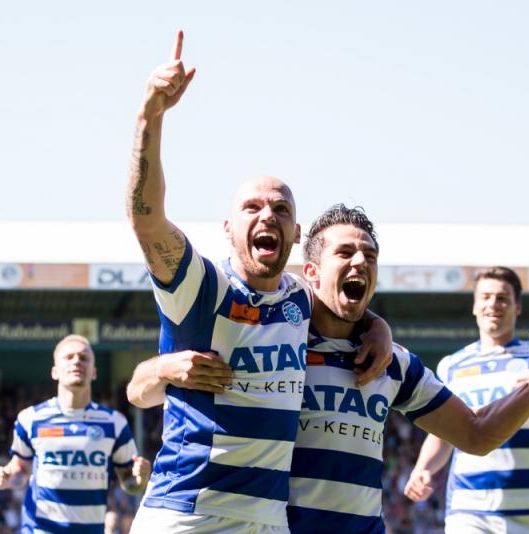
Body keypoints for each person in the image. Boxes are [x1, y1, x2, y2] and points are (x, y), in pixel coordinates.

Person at [145, 205, 529, 534]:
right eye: (345, 252)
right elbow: (139, 391)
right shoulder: (273, 341)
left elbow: (476, 435)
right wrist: (161, 367)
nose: (360, 261)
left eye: (369, 254)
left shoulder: (393, 362)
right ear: (309, 272)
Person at [124, 32, 392, 533]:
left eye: (281, 209)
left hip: (267, 521)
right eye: (251, 207)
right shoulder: (200, 287)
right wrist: (150, 117)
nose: (266, 214)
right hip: (188, 514)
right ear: (228, 230)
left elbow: (342, 303)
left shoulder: (296, 299)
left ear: (294, 234)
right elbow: (147, 218)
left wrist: (379, 326)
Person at [403, 266, 529, 533]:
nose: (493, 304)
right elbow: (444, 433)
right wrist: (423, 468)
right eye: (486, 296)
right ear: (474, 305)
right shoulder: (452, 365)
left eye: (503, 297)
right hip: (468, 511)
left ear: (517, 307)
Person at [0, 335, 150, 533]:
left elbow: (130, 483)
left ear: (94, 372)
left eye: (84, 358)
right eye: (69, 357)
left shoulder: (114, 423)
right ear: (54, 372)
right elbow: (20, 471)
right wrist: (7, 477)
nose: (76, 361)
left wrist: (140, 479)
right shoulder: (30, 419)